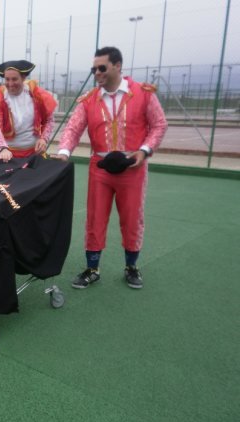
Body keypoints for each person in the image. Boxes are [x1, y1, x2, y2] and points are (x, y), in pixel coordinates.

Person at [52, 46, 168, 289]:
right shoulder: (89, 100)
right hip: (100, 168)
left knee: (132, 218)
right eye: (94, 69)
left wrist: (144, 150)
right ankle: (92, 269)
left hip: (133, 167)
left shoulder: (143, 93)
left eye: (102, 68)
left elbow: (159, 124)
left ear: (117, 66)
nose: (97, 73)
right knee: (95, 218)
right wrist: (63, 153)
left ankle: (131, 267)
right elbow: (73, 128)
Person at [0, 60, 57, 162]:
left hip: (34, 153)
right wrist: (2, 148)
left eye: (14, 79)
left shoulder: (36, 95)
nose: (10, 83)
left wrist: (44, 139)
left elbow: (49, 120)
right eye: (7, 79)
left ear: (23, 78)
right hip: (7, 154)